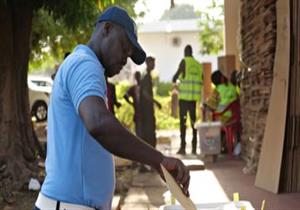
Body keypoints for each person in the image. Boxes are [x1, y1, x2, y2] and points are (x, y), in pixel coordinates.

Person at [33, 6, 190, 210]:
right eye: (124, 48)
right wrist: (158, 160)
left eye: (130, 55)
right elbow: (99, 124)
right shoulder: (85, 64)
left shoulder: (83, 64)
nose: (125, 59)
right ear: (106, 29)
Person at [172, 45, 203, 155]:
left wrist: (178, 82)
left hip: (184, 99)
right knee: (193, 124)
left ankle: (183, 148)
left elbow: (174, 77)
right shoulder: (198, 65)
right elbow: (202, 80)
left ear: (185, 53)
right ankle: (194, 148)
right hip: (193, 100)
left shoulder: (184, 62)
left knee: (183, 124)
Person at [140, 56, 162, 148]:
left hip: (147, 109)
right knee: (149, 132)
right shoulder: (146, 77)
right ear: (147, 64)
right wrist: (155, 102)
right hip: (146, 109)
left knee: (150, 131)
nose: (154, 65)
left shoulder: (147, 76)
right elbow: (145, 93)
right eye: (152, 63)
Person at [124, 71, 142, 137]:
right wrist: (131, 103)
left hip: (144, 113)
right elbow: (125, 96)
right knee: (139, 131)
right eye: (137, 76)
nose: (138, 78)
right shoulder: (133, 88)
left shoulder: (143, 87)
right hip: (138, 112)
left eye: (138, 76)